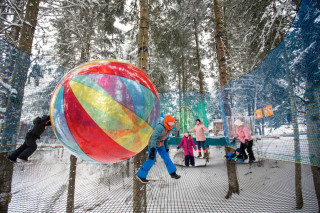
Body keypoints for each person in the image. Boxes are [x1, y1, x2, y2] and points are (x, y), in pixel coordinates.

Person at [136, 114, 181, 183]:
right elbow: (154, 138)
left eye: (173, 122)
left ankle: (172, 173)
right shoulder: (160, 127)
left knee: (166, 157)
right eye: (172, 122)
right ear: (168, 122)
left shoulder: (168, 128)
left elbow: (166, 139)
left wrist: (166, 147)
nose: (173, 123)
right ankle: (141, 175)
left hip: (161, 144)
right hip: (153, 144)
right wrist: (153, 149)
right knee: (151, 159)